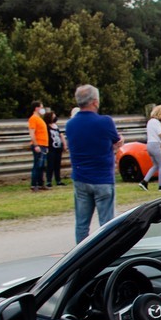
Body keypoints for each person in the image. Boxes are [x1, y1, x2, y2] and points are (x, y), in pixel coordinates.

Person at [65, 84, 122, 243]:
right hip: (102, 178)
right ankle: (106, 256)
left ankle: (80, 257)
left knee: (82, 223)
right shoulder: (105, 122)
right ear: (95, 102)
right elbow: (116, 141)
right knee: (107, 224)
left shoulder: (70, 125)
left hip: (81, 177)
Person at [139, 104, 161, 191]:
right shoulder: (156, 122)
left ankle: (144, 182)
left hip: (149, 145)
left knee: (156, 165)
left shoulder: (150, 122)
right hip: (155, 145)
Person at [27, 101, 49, 191]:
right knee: (37, 165)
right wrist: (36, 145)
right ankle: (34, 184)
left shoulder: (40, 118)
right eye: (41, 107)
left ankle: (40, 184)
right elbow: (32, 133)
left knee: (42, 166)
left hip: (43, 145)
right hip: (38, 144)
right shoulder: (33, 118)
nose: (42, 109)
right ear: (36, 108)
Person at [45, 109, 66, 188]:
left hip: (58, 147)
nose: (55, 117)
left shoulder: (56, 126)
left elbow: (61, 135)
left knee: (57, 164)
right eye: (53, 116)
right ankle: (49, 181)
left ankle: (58, 180)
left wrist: (64, 144)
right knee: (50, 164)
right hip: (51, 148)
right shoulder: (47, 126)